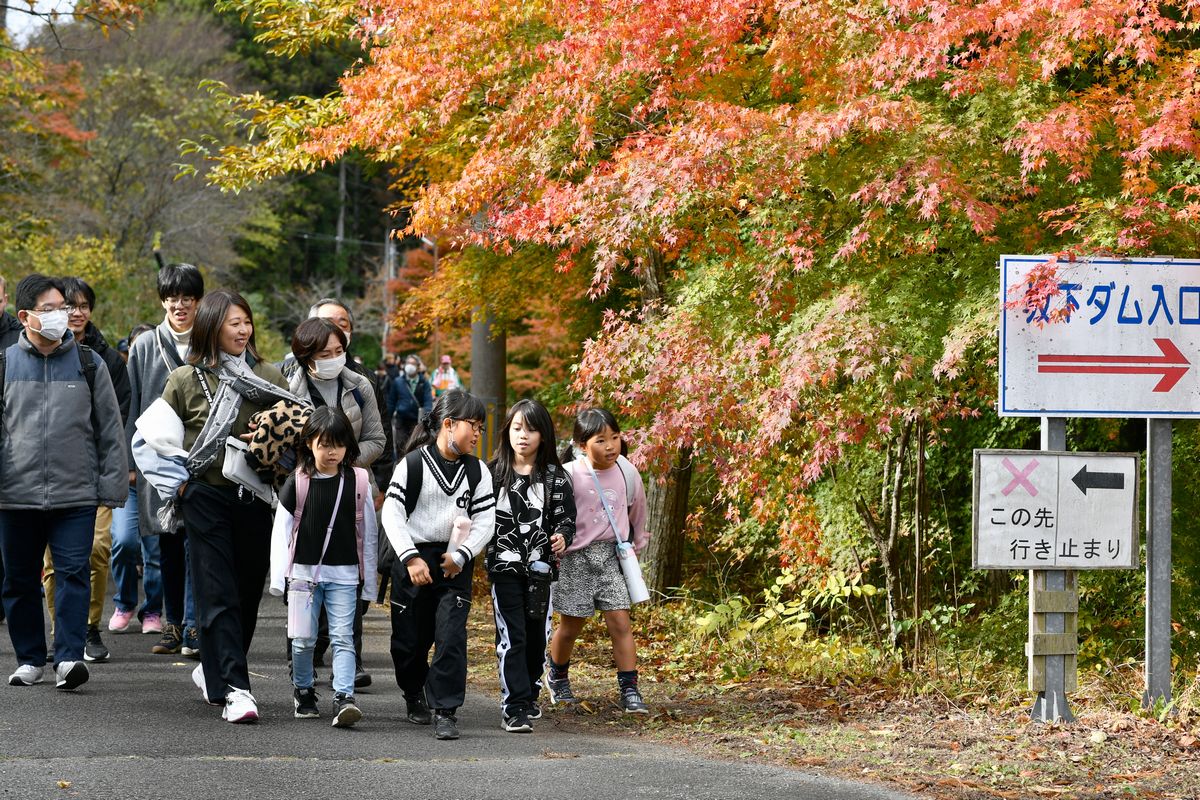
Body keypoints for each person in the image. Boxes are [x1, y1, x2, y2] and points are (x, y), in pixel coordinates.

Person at [142, 289, 295, 723]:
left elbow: (297, 434)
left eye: (246, 321)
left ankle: (215, 673)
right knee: (217, 592)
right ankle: (237, 690)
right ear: (211, 326)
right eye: (234, 323)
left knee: (246, 594)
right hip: (204, 497)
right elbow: (148, 441)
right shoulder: (184, 380)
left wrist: (271, 442)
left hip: (255, 497)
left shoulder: (269, 375)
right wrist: (181, 488)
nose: (243, 330)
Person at [0, 274, 127, 691]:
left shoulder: (89, 364)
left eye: (65, 307)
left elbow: (110, 431)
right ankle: (30, 658)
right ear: (25, 317)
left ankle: (69, 657)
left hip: (76, 494)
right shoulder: (5, 364)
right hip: (15, 495)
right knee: (19, 580)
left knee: (74, 572)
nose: (63, 315)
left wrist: (111, 489)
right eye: (50, 309)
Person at [382, 389, 495, 740]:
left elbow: (486, 520)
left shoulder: (478, 471)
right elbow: (392, 513)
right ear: (448, 424)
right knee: (410, 641)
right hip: (413, 560)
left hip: (455, 562)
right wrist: (411, 557)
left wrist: (461, 556)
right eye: (472, 425)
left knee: (450, 637)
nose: (477, 434)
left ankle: (445, 709)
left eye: (481, 427)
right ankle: (413, 693)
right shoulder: (412, 464)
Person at [285, 316, 386, 686]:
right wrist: (316, 468)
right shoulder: (288, 389)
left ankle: (349, 662)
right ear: (306, 355)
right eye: (325, 353)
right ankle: (303, 664)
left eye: (339, 350)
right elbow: (284, 446)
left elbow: (377, 438)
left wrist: (342, 464)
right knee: (306, 580)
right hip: (307, 495)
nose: (334, 358)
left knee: (350, 578)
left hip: (352, 491)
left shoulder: (360, 386)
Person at [40, 277, 132, 665]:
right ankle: (62, 631)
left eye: (83, 306)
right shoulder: (37, 353)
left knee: (95, 551)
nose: (76, 313)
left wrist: (117, 468)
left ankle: (88, 627)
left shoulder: (106, 359)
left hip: (92, 472)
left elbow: (119, 416)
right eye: (68, 306)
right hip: (45, 474)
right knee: (51, 562)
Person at [269, 406, 378, 727]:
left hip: (345, 574)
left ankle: (344, 697)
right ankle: (303, 690)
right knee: (302, 640)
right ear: (309, 443)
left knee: (344, 638)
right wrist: (280, 580)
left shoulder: (359, 482)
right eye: (325, 444)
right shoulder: (297, 483)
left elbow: (368, 535)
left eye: (339, 444)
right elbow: (281, 534)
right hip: (303, 575)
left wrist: (367, 583)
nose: (332, 452)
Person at [122, 264, 203, 660]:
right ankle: (173, 622)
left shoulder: (209, 341)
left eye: (188, 298)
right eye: (173, 298)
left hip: (202, 457)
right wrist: (131, 463)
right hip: (158, 458)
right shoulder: (144, 346)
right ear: (162, 301)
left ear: (198, 301)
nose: (180, 305)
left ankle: (193, 624)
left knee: (197, 543)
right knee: (168, 541)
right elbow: (134, 405)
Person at [548, 408, 650, 714]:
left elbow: (638, 512)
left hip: (611, 557)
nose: (611, 446)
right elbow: (556, 516)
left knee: (620, 622)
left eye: (615, 438)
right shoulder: (567, 473)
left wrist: (637, 545)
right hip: (575, 558)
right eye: (601, 440)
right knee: (570, 626)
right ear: (582, 444)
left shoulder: (626, 471)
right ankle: (558, 677)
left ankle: (630, 688)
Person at [487, 399, 575, 732]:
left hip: (542, 571)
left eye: (532, 429)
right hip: (504, 568)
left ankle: (530, 692)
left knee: (538, 637)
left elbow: (567, 520)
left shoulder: (555, 477)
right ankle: (514, 706)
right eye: (517, 428)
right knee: (513, 637)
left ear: (544, 435)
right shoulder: (493, 472)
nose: (523, 436)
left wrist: (562, 537)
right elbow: (481, 519)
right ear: (508, 430)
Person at [386, 354, 432, 460]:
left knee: (415, 447)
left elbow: (428, 402)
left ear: (418, 366)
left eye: (413, 364)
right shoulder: (398, 382)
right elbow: (391, 402)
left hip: (417, 421)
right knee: (400, 446)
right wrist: (387, 419)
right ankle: (400, 468)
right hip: (401, 420)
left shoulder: (424, 383)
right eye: (408, 363)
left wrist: (426, 419)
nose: (410, 366)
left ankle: (413, 470)